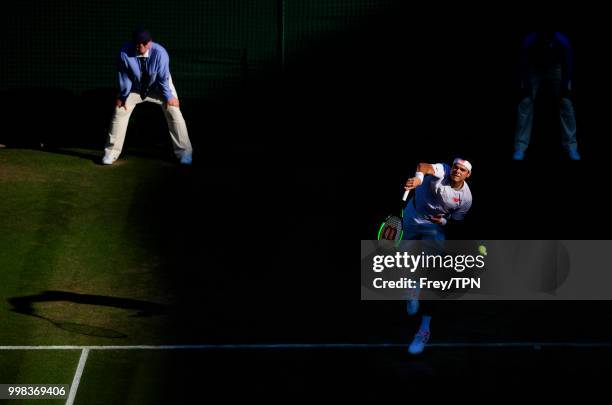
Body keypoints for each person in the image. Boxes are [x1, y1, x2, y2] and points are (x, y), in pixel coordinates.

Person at [401, 158, 473, 354]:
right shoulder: (443, 170)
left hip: (434, 228)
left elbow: (457, 222)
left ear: (468, 175)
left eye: (463, 170)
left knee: (434, 277)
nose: (457, 170)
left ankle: (424, 330)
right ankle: (412, 290)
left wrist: (443, 222)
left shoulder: (466, 198)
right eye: (456, 167)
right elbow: (422, 166)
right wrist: (418, 179)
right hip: (412, 217)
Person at [102, 27, 193, 165]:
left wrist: (169, 97)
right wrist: (123, 96)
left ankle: (184, 153)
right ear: (133, 43)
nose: (141, 46)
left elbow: (163, 78)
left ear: (150, 42)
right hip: (135, 87)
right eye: (138, 43)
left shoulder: (161, 53)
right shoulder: (124, 52)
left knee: (173, 110)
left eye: (144, 43)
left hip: (159, 86)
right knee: (119, 111)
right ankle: (111, 153)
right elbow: (124, 77)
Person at [513, 31, 580, 161]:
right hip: (533, 67)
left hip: (555, 67)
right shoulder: (529, 42)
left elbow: (568, 62)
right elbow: (523, 63)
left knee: (566, 103)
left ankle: (571, 146)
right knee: (525, 103)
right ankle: (520, 147)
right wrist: (524, 84)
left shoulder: (562, 42)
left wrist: (566, 84)